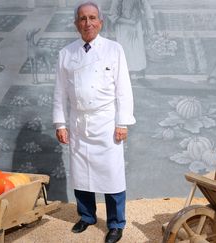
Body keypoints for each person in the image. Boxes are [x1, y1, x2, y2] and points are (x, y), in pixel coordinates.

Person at [52, 2, 135, 243]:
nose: (88, 23)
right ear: (76, 23)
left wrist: (122, 123)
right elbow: (59, 93)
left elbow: (124, 90)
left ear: (100, 21)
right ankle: (87, 216)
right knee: (81, 174)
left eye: (92, 18)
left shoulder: (114, 49)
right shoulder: (66, 53)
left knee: (112, 175)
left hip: (106, 123)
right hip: (78, 122)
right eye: (82, 19)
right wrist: (60, 123)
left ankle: (116, 224)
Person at [108, 0, 155, 79]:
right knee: (126, 50)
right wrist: (129, 22)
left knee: (138, 49)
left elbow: (146, 7)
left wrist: (150, 24)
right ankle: (126, 73)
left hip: (136, 25)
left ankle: (140, 72)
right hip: (123, 27)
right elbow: (113, 16)